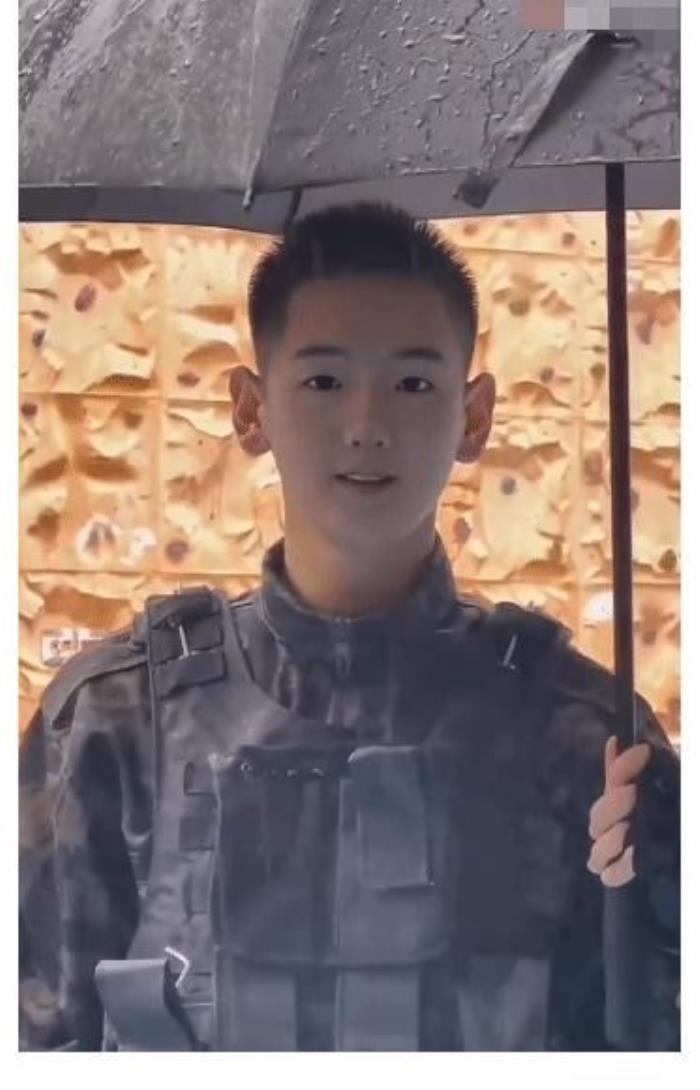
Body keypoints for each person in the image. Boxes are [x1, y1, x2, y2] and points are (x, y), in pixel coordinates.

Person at [19, 202, 680, 1052]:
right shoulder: (114, 725)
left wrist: (668, 898)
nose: (367, 427)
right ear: (251, 409)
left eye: (413, 384)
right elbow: (40, 1037)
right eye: (324, 382)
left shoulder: (585, 739)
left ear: (475, 416)